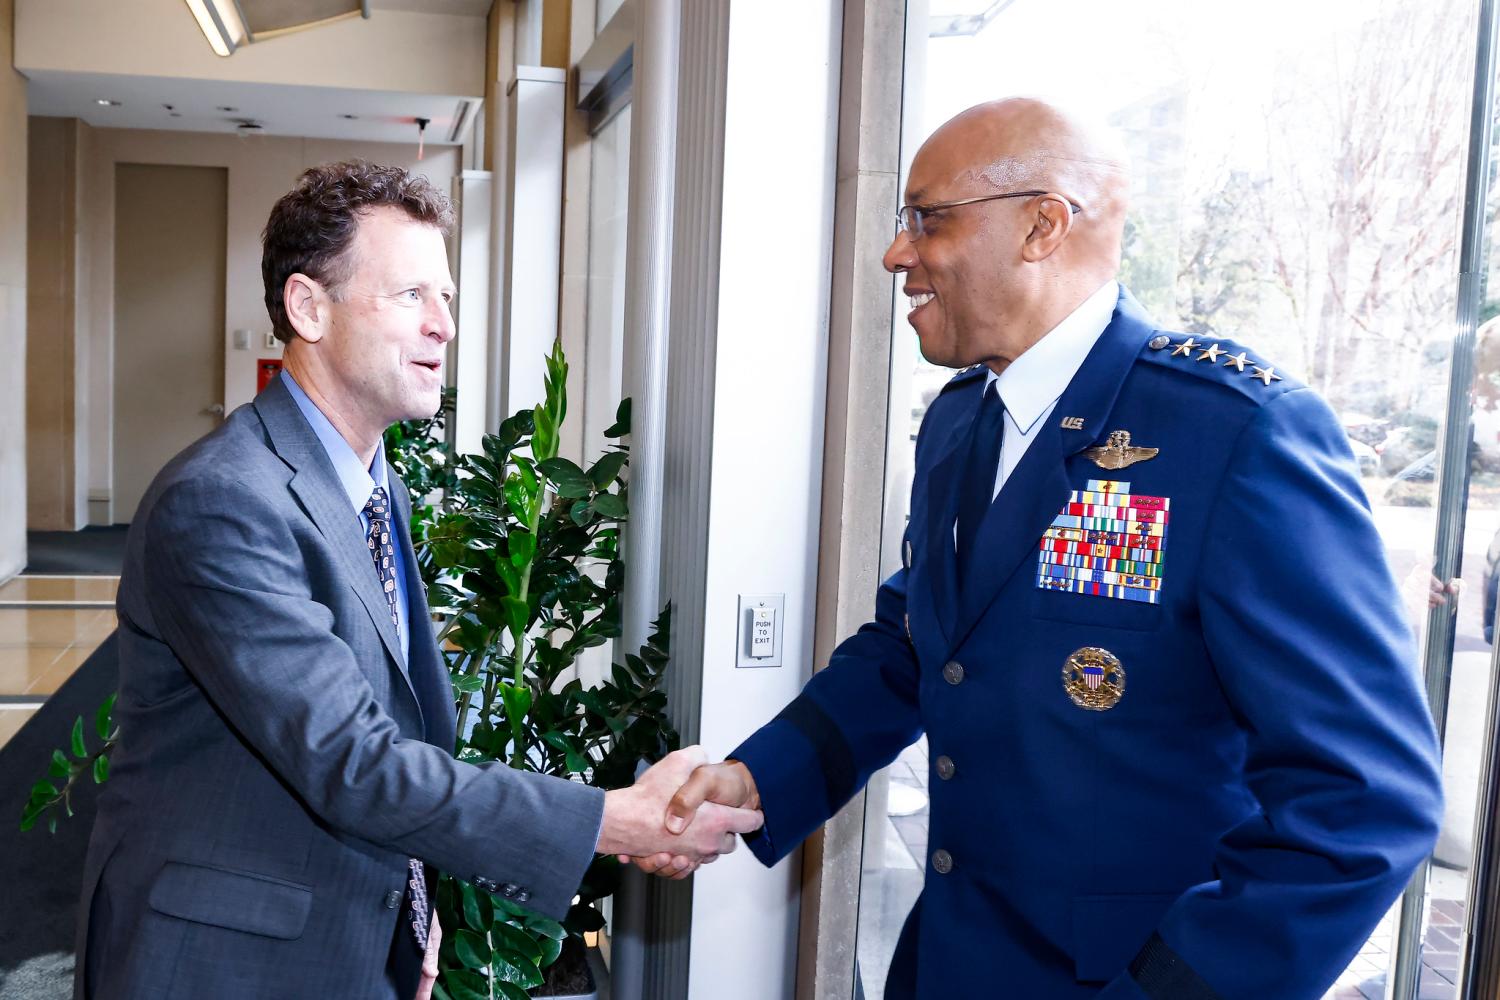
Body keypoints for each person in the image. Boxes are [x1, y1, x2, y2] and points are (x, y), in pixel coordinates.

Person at [640, 99, 1445, 998]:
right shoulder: (956, 424)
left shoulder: (1234, 434)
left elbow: (1365, 800)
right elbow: (919, 648)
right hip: (947, 963)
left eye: (927, 219)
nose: (896, 254)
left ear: (1041, 225)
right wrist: (760, 776)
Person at [75, 161, 761, 1000]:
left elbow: (400, 728)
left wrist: (414, 891)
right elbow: (353, 761)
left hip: (349, 927)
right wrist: (612, 820)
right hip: (223, 958)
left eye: (449, 300)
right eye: (412, 297)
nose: (444, 326)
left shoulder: (372, 483)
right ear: (307, 308)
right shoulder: (222, 501)